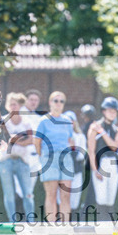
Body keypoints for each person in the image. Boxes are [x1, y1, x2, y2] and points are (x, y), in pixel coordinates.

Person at [34, 91, 75, 223]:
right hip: (49, 158)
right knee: (51, 194)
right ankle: (51, 227)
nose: (58, 103)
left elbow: (70, 140)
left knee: (66, 195)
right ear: (50, 103)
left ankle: (65, 226)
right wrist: (43, 157)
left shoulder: (68, 121)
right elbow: (37, 142)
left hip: (65, 158)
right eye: (56, 100)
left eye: (61, 101)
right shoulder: (43, 121)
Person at [0, 92, 36, 222]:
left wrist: (15, 139)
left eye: (15, 104)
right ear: (7, 106)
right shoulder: (3, 121)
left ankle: (30, 222)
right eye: (11, 104)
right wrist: (21, 139)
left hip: (22, 160)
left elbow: (31, 140)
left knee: (28, 193)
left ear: (19, 105)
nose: (13, 107)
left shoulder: (26, 121)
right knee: (9, 194)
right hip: (5, 160)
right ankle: (12, 222)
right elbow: (2, 139)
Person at [88, 97, 118, 220]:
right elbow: (91, 151)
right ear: (104, 111)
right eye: (110, 111)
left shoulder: (116, 130)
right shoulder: (94, 127)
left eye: (114, 111)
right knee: (101, 197)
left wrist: (103, 133)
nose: (112, 113)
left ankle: (110, 229)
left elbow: (114, 147)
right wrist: (95, 169)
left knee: (110, 198)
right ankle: (102, 230)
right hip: (100, 162)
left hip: (113, 164)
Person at [63, 110, 88, 214]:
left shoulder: (80, 136)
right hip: (64, 169)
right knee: (63, 196)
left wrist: (72, 150)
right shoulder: (61, 136)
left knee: (75, 197)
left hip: (76, 169)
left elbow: (81, 155)